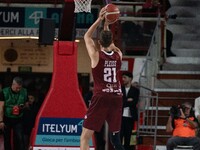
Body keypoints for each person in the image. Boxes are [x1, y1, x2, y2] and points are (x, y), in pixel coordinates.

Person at [80, 6, 124, 150]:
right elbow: (109, 41)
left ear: (99, 42)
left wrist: (100, 19)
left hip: (101, 96)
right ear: (112, 41)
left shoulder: (96, 56)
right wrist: (106, 24)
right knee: (115, 138)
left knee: (85, 137)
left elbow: (86, 36)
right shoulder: (119, 54)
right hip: (117, 96)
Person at [0, 76, 28, 150]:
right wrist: (1, 121)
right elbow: (1, 107)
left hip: (19, 118)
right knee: (7, 139)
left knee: (19, 138)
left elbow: (27, 104)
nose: (18, 89)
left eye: (20, 88)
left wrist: (22, 107)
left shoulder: (24, 91)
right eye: (17, 88)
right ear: (13, 84)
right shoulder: (4, 92)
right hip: (7, 118)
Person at [120, 71, 140, 150]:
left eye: (125, 77)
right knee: (120, 137)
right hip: (120, 117)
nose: (123, 79)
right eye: (122, 77)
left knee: (129, 138)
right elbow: (119, 102)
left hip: (131, 118)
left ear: (130, 79)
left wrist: (124, 101)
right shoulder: (119, 89)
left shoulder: (135, 90)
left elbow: (134, 102)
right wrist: (127, 101)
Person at [84, 82, 106, 150]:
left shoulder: (101, 96)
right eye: (92, 87)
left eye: (94, 87)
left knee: (99, 136)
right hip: (90, 119)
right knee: (89, 136)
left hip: (99, 119)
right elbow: (84, 106)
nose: (93, 89)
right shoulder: (88, 95)